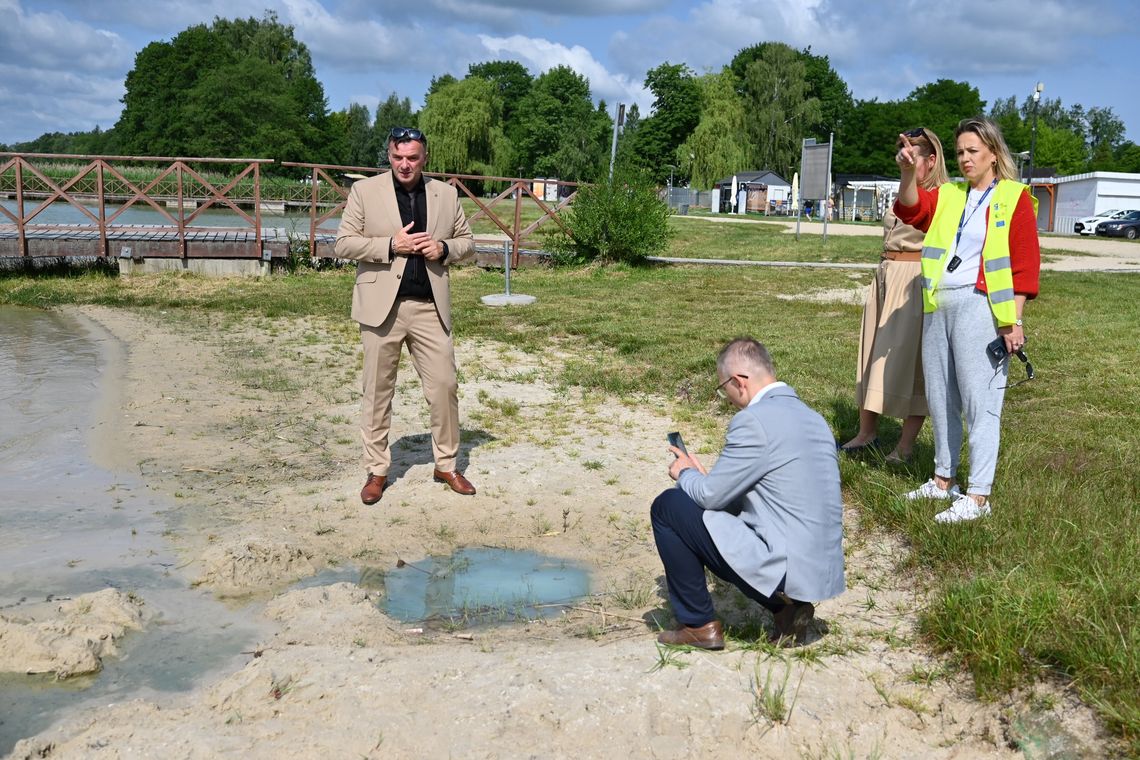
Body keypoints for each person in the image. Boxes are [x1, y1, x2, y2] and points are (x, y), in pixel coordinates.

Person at [650, 338, 845, 649]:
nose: (726, 397)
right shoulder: (815, 419)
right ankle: (787, 609)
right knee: (696, 500)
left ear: (738, 382)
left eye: (722, 387)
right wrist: (705, 482)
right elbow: (768, 494)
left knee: (669, 506)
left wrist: (685, 474)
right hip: (819, 569)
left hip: (786, 567)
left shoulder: (753, 421)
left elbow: (712, 499)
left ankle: (698, 623)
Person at [894, 116, 1040, 523]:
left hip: (982, 308)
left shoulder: (1014, 197)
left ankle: (978, 495)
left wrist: (1014, 321)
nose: (965, 159)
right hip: (939, 305)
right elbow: (910, 209)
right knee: (941, 399)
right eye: (959, 152)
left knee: (981, 403)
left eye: (973, 151)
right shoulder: (949, 194)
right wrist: (908, 173)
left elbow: (1025, 266)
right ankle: (943, 479)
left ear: (994, 153)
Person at [335, 127, 477, 503]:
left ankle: (446, 465)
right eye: (398, 157)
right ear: (389, 155)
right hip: (382, 308)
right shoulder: (364, 192)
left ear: (424, 157)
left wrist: (443, 248)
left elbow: (468, 244)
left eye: (412, 158)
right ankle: (377, 471)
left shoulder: (446, 194)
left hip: (431, 307)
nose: (405, 165)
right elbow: (343, 243)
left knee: (445, 386)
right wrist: (390, 245)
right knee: (378, 392)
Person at [840, 127, 950, 462]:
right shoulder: (906, 186)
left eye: (913, 154)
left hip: (914, 279)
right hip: (886, 274)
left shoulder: (943, 195)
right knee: (871, 351)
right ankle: (866, 432)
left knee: (911, 362)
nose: (905, 158)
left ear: (931, 160)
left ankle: (904, 446)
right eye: (902, 151)